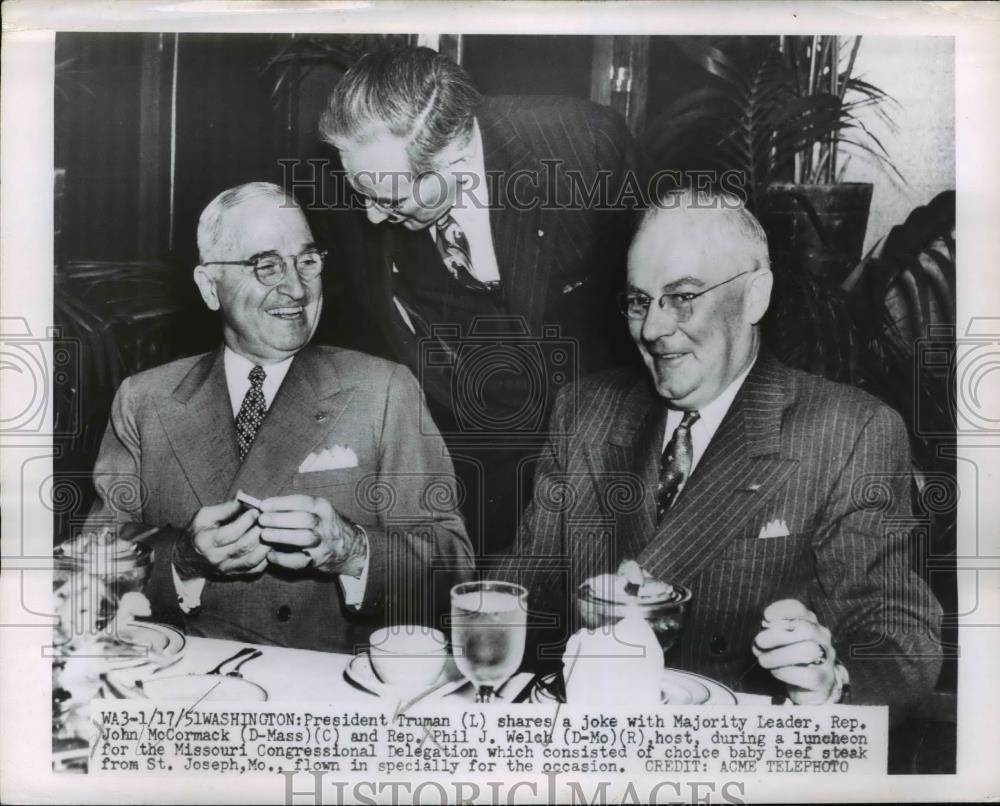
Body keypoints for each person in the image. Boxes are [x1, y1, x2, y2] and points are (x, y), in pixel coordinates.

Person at [509, 187, 942, 722]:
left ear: (755, 295)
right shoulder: (585, 412)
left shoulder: (849, 431)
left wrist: (834, 682)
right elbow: (520, 593)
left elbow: (900, 638)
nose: (652, 329)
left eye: (682, 297)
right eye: (639, 301)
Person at [85, 182, 473, 652]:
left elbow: (453, 569)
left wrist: (351, 550)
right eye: (265, 265)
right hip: (185, 682)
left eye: (307, 262)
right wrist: (183, 559)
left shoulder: (383, 389)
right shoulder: (145, 400)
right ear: (210, 287)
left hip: (330, 689)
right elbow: (93, 569)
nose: (295, 288)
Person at [316, 46, 641, 556]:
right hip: (467, 443)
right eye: (362, 194)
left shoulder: (583, 148)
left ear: (459, 155)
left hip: (593, 437)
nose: (373, 217)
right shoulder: (369, 180)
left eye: (393, 200)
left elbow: (644, 304)